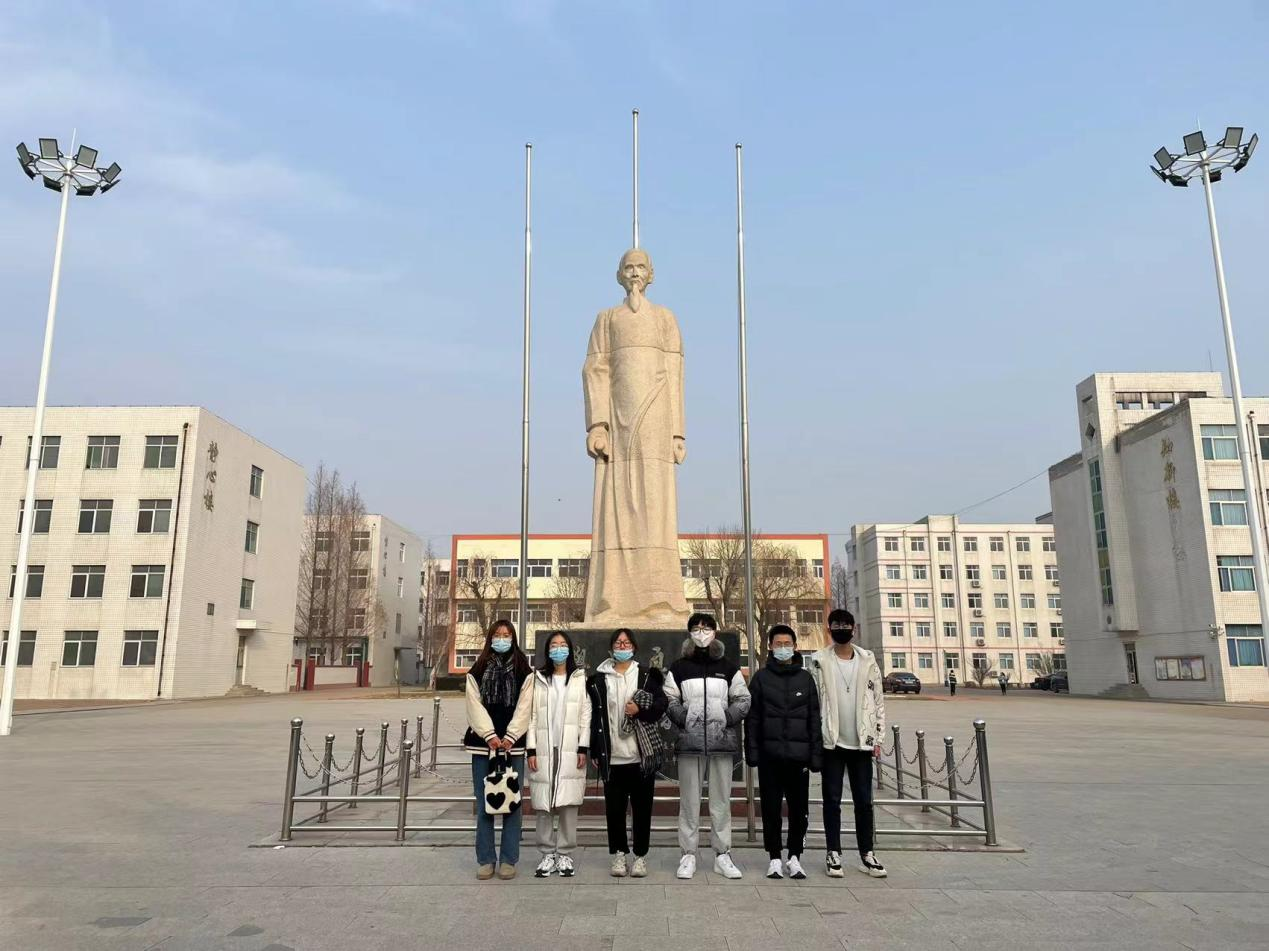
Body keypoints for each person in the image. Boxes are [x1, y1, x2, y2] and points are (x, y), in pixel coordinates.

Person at [664, 612, 751, 880]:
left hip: (720, 742)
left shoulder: (728, 667)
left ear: (714, 632)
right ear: (689, 633)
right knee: (689, 802)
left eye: (706, 628)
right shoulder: (679, 667)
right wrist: (685, 719)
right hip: (690, 743)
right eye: (696, 628)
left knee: (721, 802)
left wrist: (726, 718)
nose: (701, 632)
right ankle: (688, 854)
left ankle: (722, 854)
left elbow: (743, 699)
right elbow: (670, 700)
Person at [808, 609, 888, 879]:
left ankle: (867, 852)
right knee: (831, 800)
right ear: (829, 628)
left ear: (854, 629)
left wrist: (878, 737)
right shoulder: (819, 661)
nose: (841, 628)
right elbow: (814, 703)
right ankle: (833, 852)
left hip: (862, 743)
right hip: (832, 742)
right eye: (836, 624)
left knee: (864, 801)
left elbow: (878, 701)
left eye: (846, 624)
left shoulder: (868, 660)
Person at [588, 628, 669, 878]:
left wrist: (639, 711)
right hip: (613, 757)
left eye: (626, 642)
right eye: (618, 642)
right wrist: (595, 748)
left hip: (641, 755)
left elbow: (661, 705)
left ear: (634, 646)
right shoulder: (599, 679)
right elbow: (594, 717)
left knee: (642, 809)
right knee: (614, 810)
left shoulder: (646, 675)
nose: (622, 646)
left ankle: (640, 856)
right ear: (611, 647)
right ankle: (619, 854)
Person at [745, 624, 822, 880]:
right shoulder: (761, 679)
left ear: (795, 646)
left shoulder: (806, 679)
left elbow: (814, 719)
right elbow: (753, 719)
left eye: (787, 643)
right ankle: (775, 857)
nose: (783, 648)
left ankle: (795, 856)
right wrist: (752, 752)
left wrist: (815, 755)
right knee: (771, 809)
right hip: (770, 756)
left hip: (799, 758)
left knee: (799, 810)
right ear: (770, 647)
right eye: (778, 644)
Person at [464, 619, 534, 881]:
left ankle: (508, 859)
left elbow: (525, 706)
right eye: (497, 634)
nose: (502, 639)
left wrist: (511, 736)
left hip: (512, 747)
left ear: (513, 638)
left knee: (512, 805)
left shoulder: (524, 670)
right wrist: (490, 735)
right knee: (484, 803)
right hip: (483, 746)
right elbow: (473, 704)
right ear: (490, 638)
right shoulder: (478, 668)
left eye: (506, 635)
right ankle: (485, 859)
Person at [527, 631, 592, 878]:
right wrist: (531, 749)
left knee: (568, 803)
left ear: (570, 649)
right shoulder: (538, 679)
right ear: (547, 650)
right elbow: (531, 716)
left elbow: (586, 715)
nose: (558, 649)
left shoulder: (579, 678)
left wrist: (583, 747)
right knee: (544, 802)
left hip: (570, 750)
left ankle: (564, 852)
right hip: (544, 749)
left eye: (563, 644)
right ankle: (546, 853)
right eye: (554, 645)